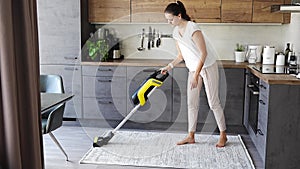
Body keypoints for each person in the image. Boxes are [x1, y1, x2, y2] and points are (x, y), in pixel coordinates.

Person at [161, 1, 227, 147]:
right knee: (191, 103)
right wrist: (169, 66)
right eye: (167, 20)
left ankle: (223, 134)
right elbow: (181, 56)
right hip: (192, 69)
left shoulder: (192, 28)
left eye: (171, 19)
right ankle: (191, 135)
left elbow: (204, 53)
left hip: (207, 66)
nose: (169, 22)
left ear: (179, 15)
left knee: (213, 102)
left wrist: (196, 75)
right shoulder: (175, 32)